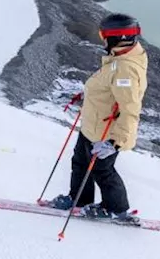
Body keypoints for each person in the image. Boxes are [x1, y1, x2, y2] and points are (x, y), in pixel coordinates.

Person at [48, 13, 147, 225]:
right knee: (80, 164)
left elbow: (130, 108)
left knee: (103, 170)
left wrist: (115, 142)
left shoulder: (125, 69)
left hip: (106, 133)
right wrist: (88, 95)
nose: (102, 39)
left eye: (104, 35)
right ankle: (80, 200)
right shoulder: (118, 59)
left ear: (117, 37)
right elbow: (109, 88)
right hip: (92, 126)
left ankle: (116, 209)